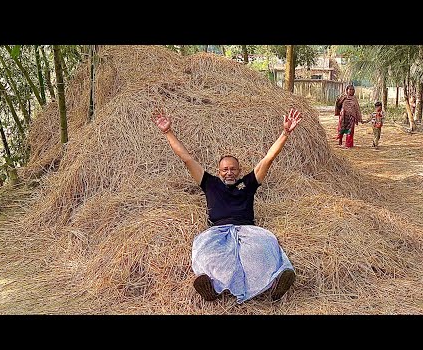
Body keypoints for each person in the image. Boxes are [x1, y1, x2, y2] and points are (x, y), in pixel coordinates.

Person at [154, 108, 302, 303]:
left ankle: (277, 281)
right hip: (217, 232)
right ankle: (212, 289)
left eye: (233, 169)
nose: (229, 172)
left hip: (248, 230)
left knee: (266, 246)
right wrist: (167, 132)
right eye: (225, 169)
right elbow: (187, 158)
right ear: (219, 171)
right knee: (204, 251)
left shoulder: (248, 183)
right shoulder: (210, 183)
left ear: (240, 171)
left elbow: (268, 158)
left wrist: (285, 133)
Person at [334, 83, 362, 148]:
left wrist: (359, 117)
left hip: (352, 117)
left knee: (350, 131)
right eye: (350, 89)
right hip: (343, 116)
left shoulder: (354, 98)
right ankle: (340, 139)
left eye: (353, 89)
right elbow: (338, 105)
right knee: (341, 129)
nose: (352, 91)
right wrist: (339, 100)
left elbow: (357, 108)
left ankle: (348, 144)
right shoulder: (343, 97)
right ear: (347, 90)